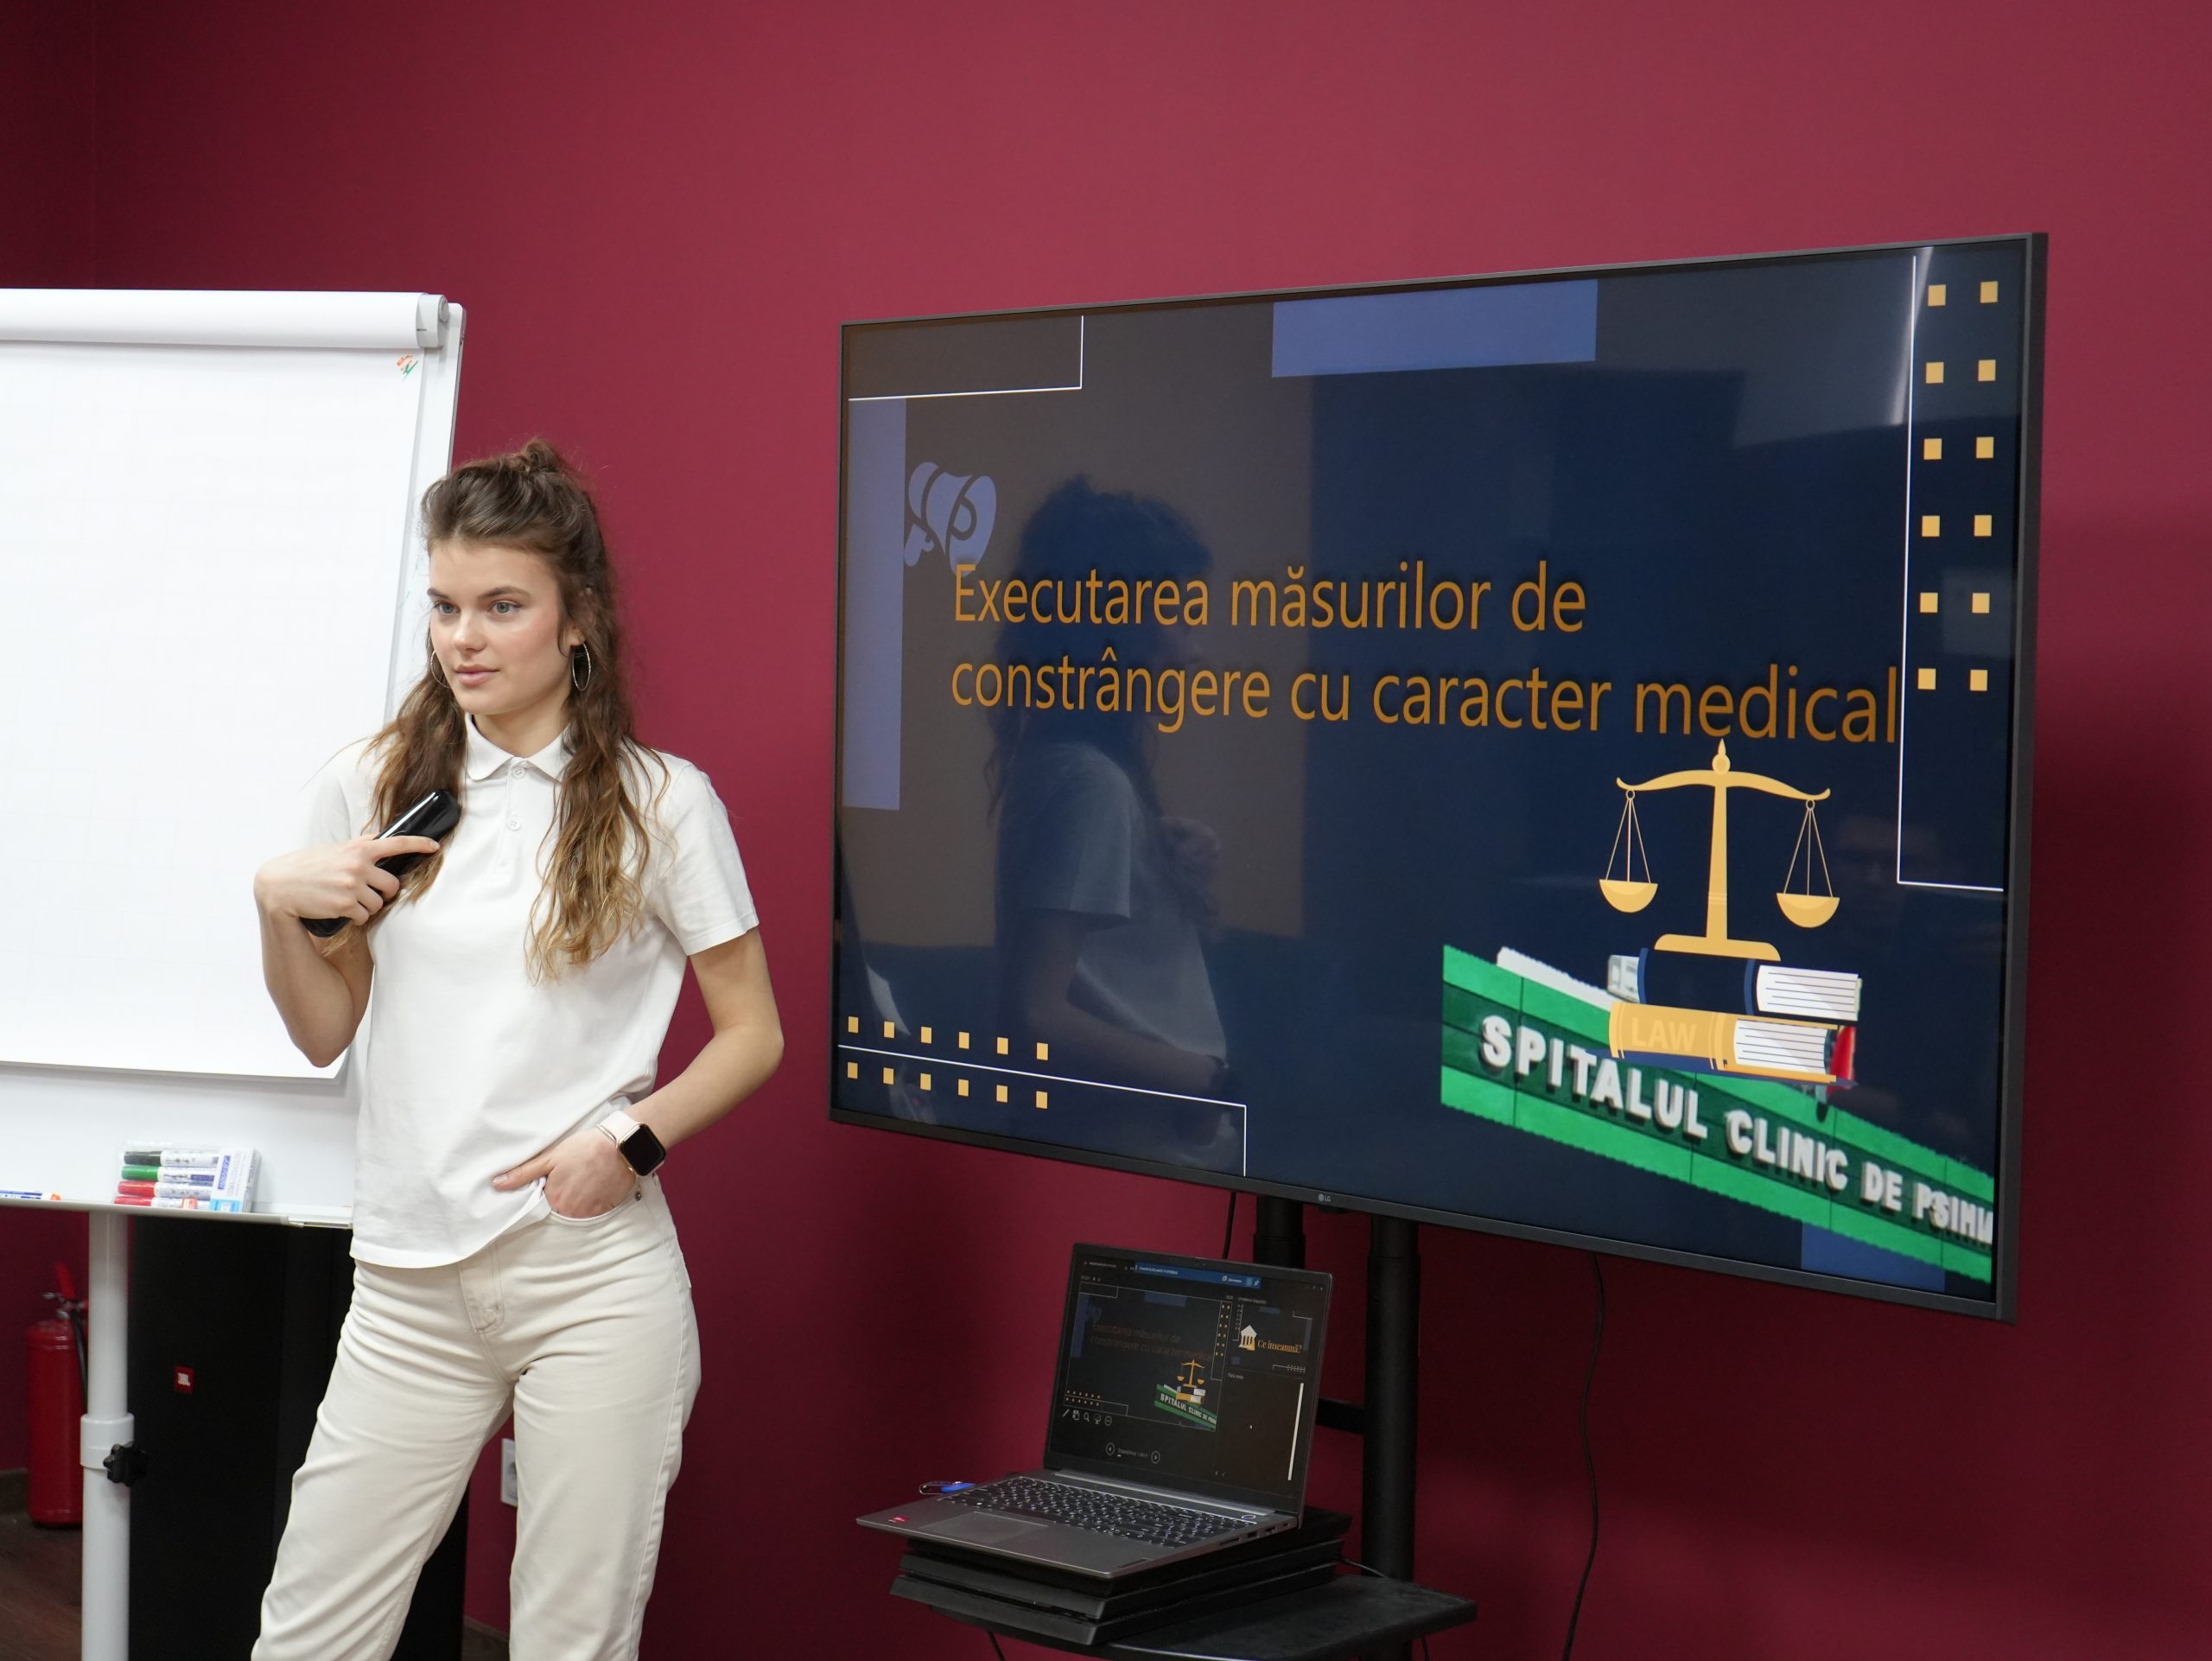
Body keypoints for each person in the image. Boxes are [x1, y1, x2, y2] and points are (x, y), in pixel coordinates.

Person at [247, 440, 782, 1660]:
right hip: (406, 1283)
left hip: (590, 1281)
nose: (464, 639)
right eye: (445, 606)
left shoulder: (663, 803)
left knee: (569, 1642)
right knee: (309, 1638)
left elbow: (754, 1033)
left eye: (501, 606)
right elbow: (325, 1031)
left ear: (576, 618)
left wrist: (628, 1143)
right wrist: (275, 906)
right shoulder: (372, 785)